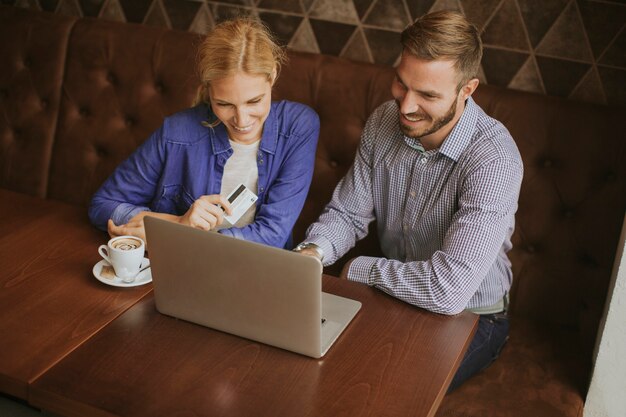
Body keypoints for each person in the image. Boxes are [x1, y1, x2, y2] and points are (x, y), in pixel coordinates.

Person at [293, 10, 523, 390]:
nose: (405, 106)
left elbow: (448, 291)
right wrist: (312, 254)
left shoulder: (494, 160)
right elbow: (348, 214)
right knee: (310, 360)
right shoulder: (384, 119)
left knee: (388, 385)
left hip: (471, 315)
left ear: (467, 90)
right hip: (390, 296)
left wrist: (358, 268)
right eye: (401, 84)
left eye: (428, 95)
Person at [89, 18, 320, 249]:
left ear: (273, 75)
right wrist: (179, 223)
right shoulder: (177, 132)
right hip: (185, 268)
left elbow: (273, 234)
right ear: (208, 89)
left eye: (254, 101)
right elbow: (103, 204)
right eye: (225, 104)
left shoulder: (299, 127)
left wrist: (173, 234)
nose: (242, 120)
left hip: (257, 271)